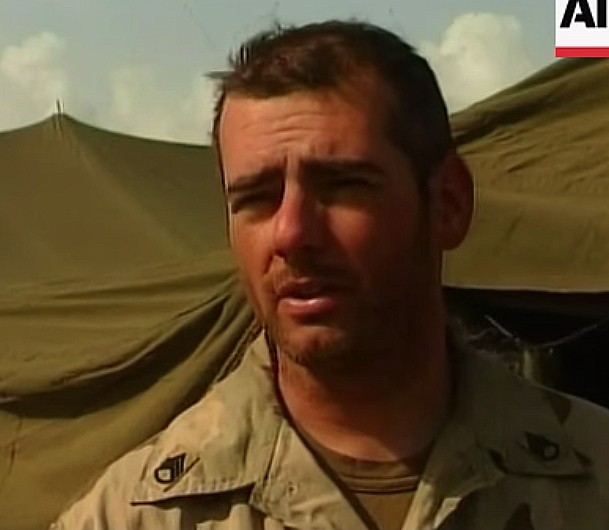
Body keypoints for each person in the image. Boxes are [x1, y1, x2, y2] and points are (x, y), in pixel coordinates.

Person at [51, 20, 609, 530]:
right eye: (258, 197)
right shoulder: (132, 516)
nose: (292, 233)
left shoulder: (593, 477)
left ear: (448, 203)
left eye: (342, 186)